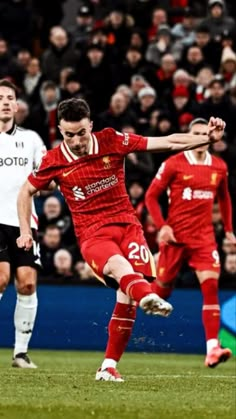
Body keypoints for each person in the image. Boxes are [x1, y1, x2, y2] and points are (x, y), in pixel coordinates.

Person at [17, 98, 223, 381]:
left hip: (128, 227)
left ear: (91, 125)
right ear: (60, 131)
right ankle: (148, 296)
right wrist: (25, 231)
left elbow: (168, 142)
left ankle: (108, 366)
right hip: (93, 234)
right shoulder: (54, 160)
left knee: (126, 296)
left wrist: (205, 138)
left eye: (81, 133)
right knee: (117, 266)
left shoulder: (112, 140)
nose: (76, 141)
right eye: (68, 135)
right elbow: (25, 192)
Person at [145, 117, 236, 369]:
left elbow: (225, 198)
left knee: (210, 288)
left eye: (204, 133)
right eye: (195, 133)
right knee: (160, 294)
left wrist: (229, 230)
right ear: (188, 135)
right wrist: (162, 225)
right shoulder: (173, 163)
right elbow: (151, 196)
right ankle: (134, 293)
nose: (200, 138)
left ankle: (212, 349)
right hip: (174, 239)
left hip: (203, 239)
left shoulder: (219, 166)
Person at [0, 79, 46, 368]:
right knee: (1, 276)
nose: (5, 101)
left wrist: (44, 184)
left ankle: (20, 353)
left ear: (17, 106)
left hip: (24, 223)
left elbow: (47, 176)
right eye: (0, 97)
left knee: (27, 284)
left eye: (9, 98)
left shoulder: (31, 140)